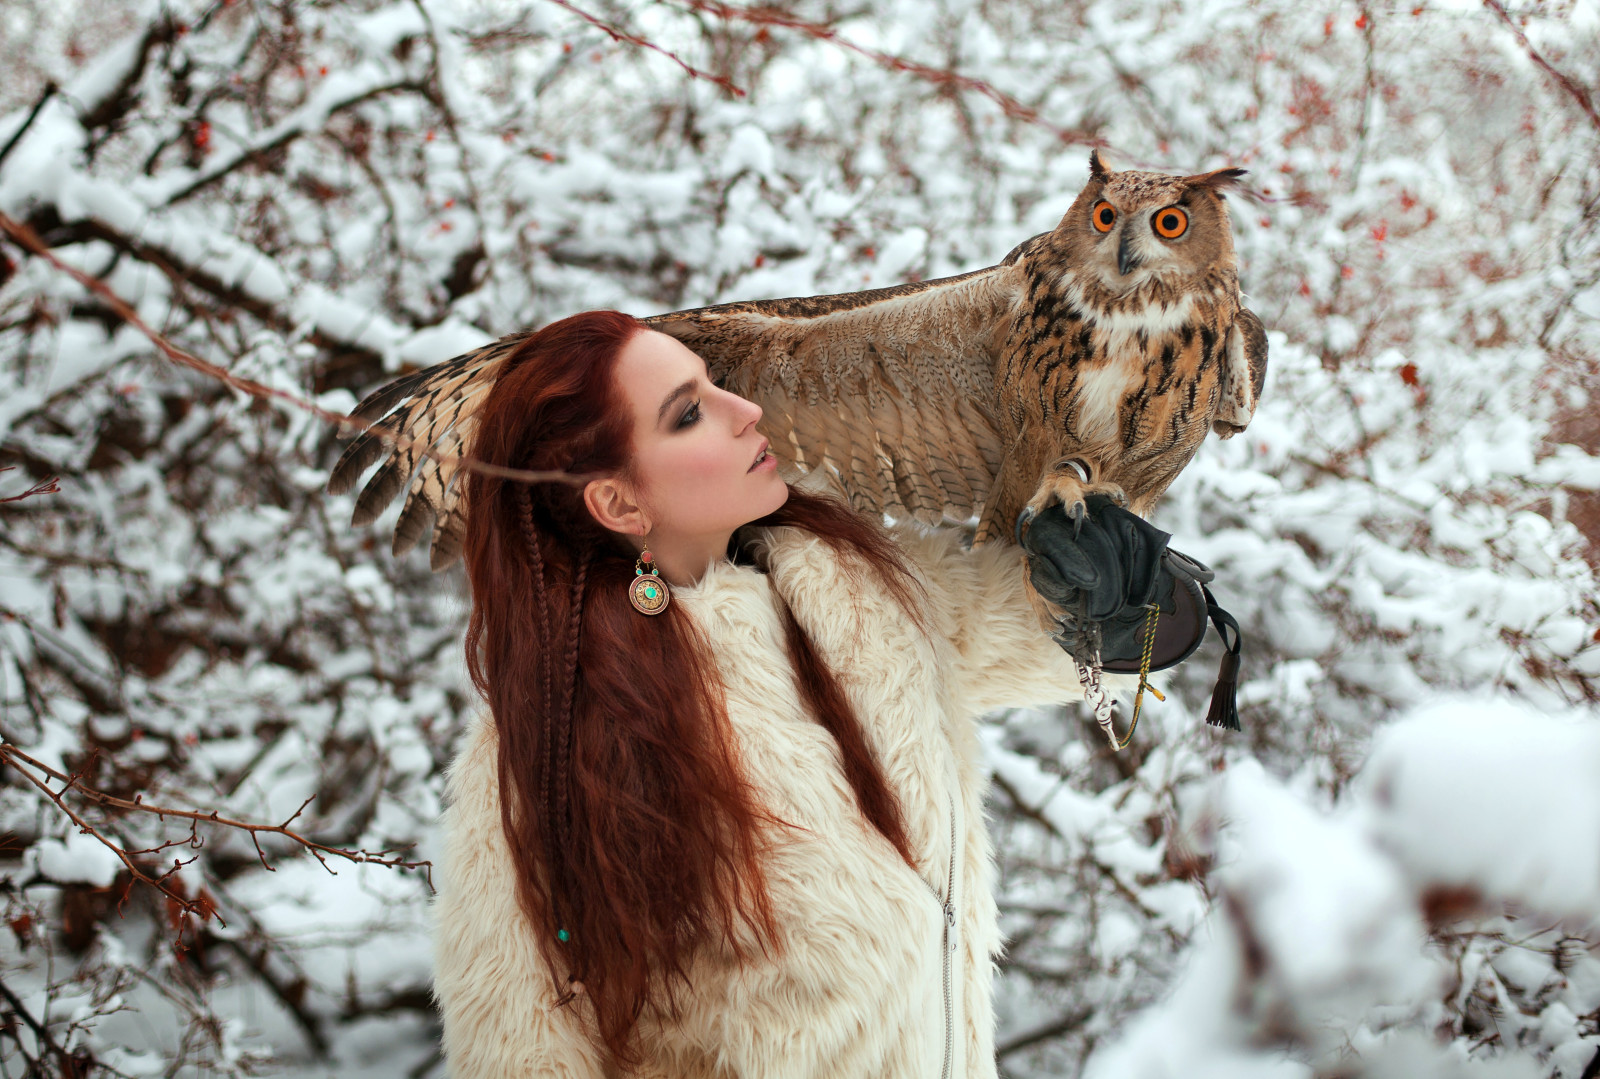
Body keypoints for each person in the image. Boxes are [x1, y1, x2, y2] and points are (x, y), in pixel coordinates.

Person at [432, 309, 1104, 1078]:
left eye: (717, 385)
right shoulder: (546, 742)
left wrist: (1135, 605)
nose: (744, 409)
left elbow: (1053, 635)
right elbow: (518, 1049)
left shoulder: (864, 592)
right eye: (689, 413)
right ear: (619, 503)